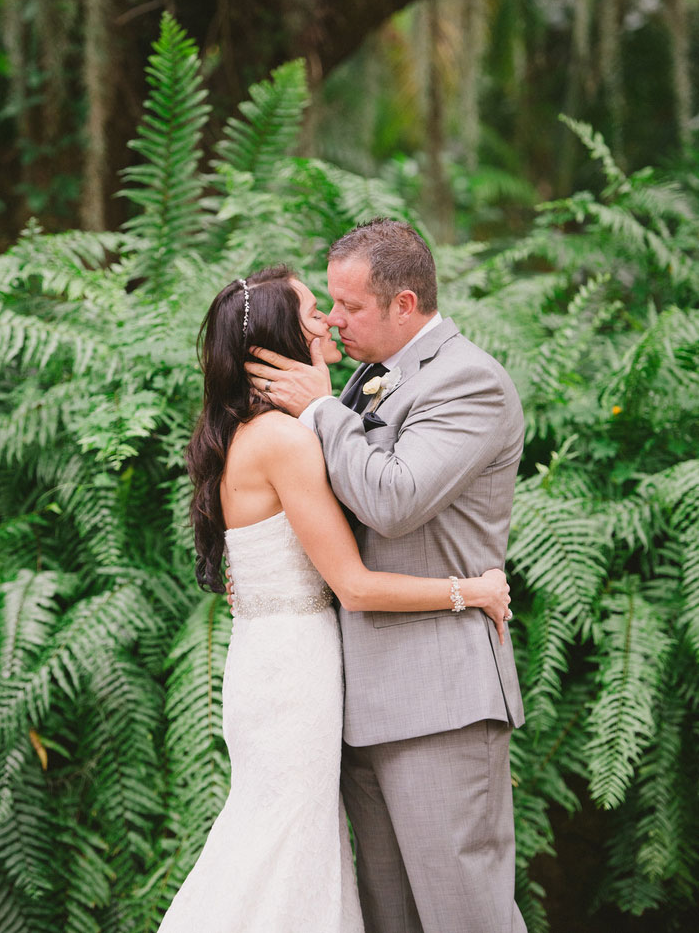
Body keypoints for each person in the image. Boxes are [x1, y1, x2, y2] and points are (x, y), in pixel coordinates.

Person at [157, 264, 512, 933]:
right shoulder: (289, 438)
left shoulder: (249, 432)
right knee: (282, 848)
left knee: (277, 842)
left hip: (271, 660)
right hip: (297, 674)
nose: (328, 321)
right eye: (314, 309)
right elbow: (352, 581)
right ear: (279, 335)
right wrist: (471, 589)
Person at [244, 220, 527, 933]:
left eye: (351, 307)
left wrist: (316, 407)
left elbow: (394, 501)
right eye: (330, 304)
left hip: (439, 703)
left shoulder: (470, 382)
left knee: (467, 919)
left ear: (405, 304)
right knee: (389, 921)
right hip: (355, 700)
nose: (334, 321)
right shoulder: (367, 380)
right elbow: (333, 509)